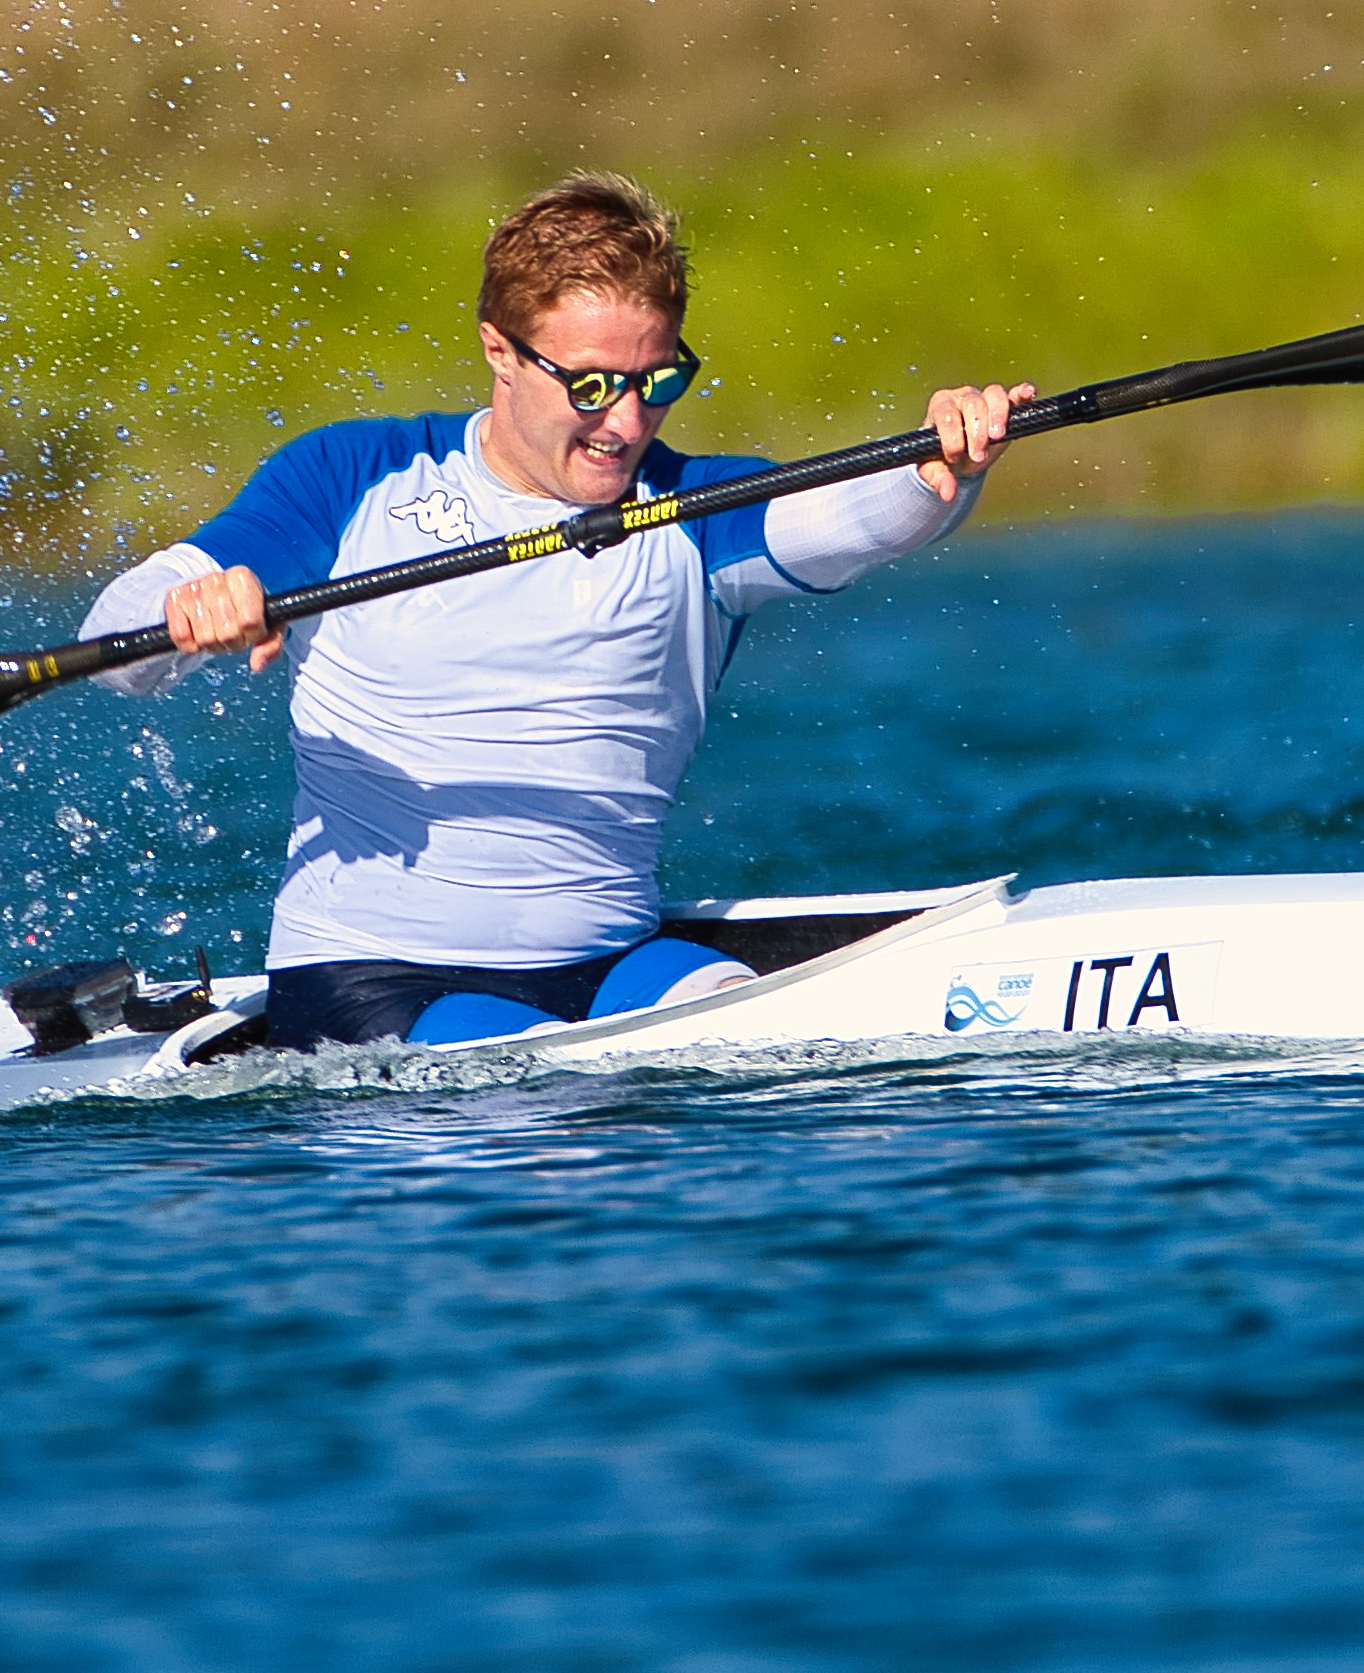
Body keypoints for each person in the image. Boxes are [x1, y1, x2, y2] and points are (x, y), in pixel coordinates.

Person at [80, 171, 1030, 1050]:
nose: (624, 422)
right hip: (371, 981)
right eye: (589, 385)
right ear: (499, 347)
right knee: (537, 1107)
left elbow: (861, 515)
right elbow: (110, 647)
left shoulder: (692, 513)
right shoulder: (349, 480)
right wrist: (189, 608)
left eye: (655, 383)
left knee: (741, 1054)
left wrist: (940, 463)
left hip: (616, 963)